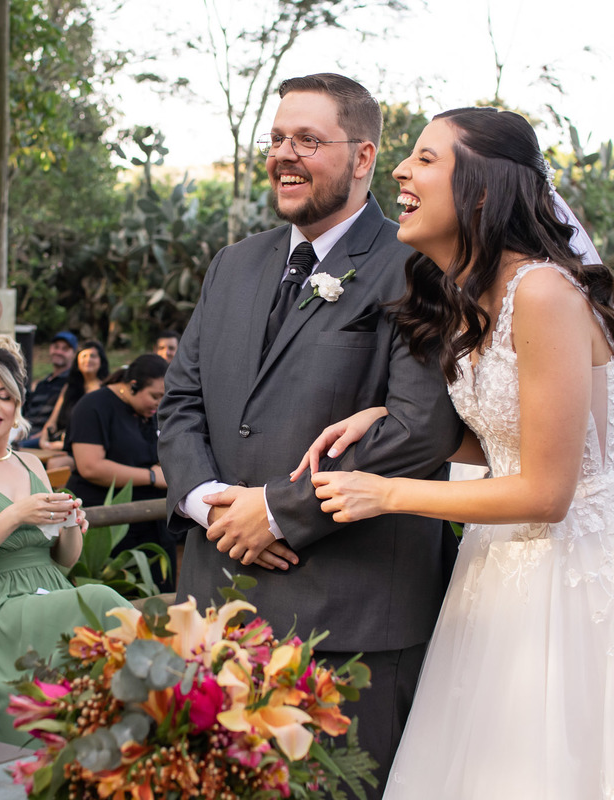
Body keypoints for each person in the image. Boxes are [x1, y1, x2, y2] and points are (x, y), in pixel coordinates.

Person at [300, 107, 614, 797]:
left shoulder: (542, 292)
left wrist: (386, 492)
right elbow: (508, 437)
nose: (401, 171)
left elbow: (546, 489)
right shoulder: (474, 295)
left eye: (425, 158)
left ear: (481, 188)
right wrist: (386, 414)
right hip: (503, 564)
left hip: (584, 569)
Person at [157, 73, 462, 798]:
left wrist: (277, 510)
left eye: (308, 141)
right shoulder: (233, 264)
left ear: (362, 158)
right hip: (215, 610)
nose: (284, 156)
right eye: (277, 139)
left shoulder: (421, 264)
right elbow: (180, 402)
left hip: (346, 617)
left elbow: (420, 430)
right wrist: (207, 503)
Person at [0, 335, 132, 745]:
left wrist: (69, 526)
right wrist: (14, 516)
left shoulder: (31, 464)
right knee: (101, 601)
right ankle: (185, 694)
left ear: (17, 407)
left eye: (5, 396)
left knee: (98, 618)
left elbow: (63, 561)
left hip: (49, 591)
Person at [66, 354, 173, 589]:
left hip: (152, 525)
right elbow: (90, 466)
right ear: (132, 386)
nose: (159, 403)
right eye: (154, 396)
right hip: (108, 525)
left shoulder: (152, 414)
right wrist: (153, 477)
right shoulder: (93, 406)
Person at [37, 339, 109, 453]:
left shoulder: (106, 391)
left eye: (93, 356)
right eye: (84, 356)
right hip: (56, 441)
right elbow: (52, 421)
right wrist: (43, 441)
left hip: (84, 447)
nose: (88, 359)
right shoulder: (69, 387)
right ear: (77, 361)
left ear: (101, 361)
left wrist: (61, 445)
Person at [17, 330, 77, 448]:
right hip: (26, 433)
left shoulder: (72, 384)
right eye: (56, 347)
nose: (59, 352)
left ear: (74, 354)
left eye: (65, 349)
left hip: (47, 437)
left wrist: (42, 434)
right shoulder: (41, 384)